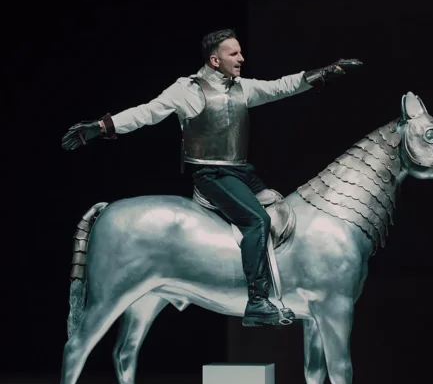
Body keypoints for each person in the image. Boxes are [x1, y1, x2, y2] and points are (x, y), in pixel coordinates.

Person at [61, 28, 362, 327]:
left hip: (241, 171)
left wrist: (325, 72)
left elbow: (280, 87)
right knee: (257, 220)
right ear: (215, 60)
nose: (242, 58)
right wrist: (102, 127)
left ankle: (285, 283)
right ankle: (257, 301)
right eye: (234, 54)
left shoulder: (241, 88)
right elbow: (147, 112)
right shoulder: (187, 90)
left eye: (241, 52)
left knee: (280, 209)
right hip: (211, 174)